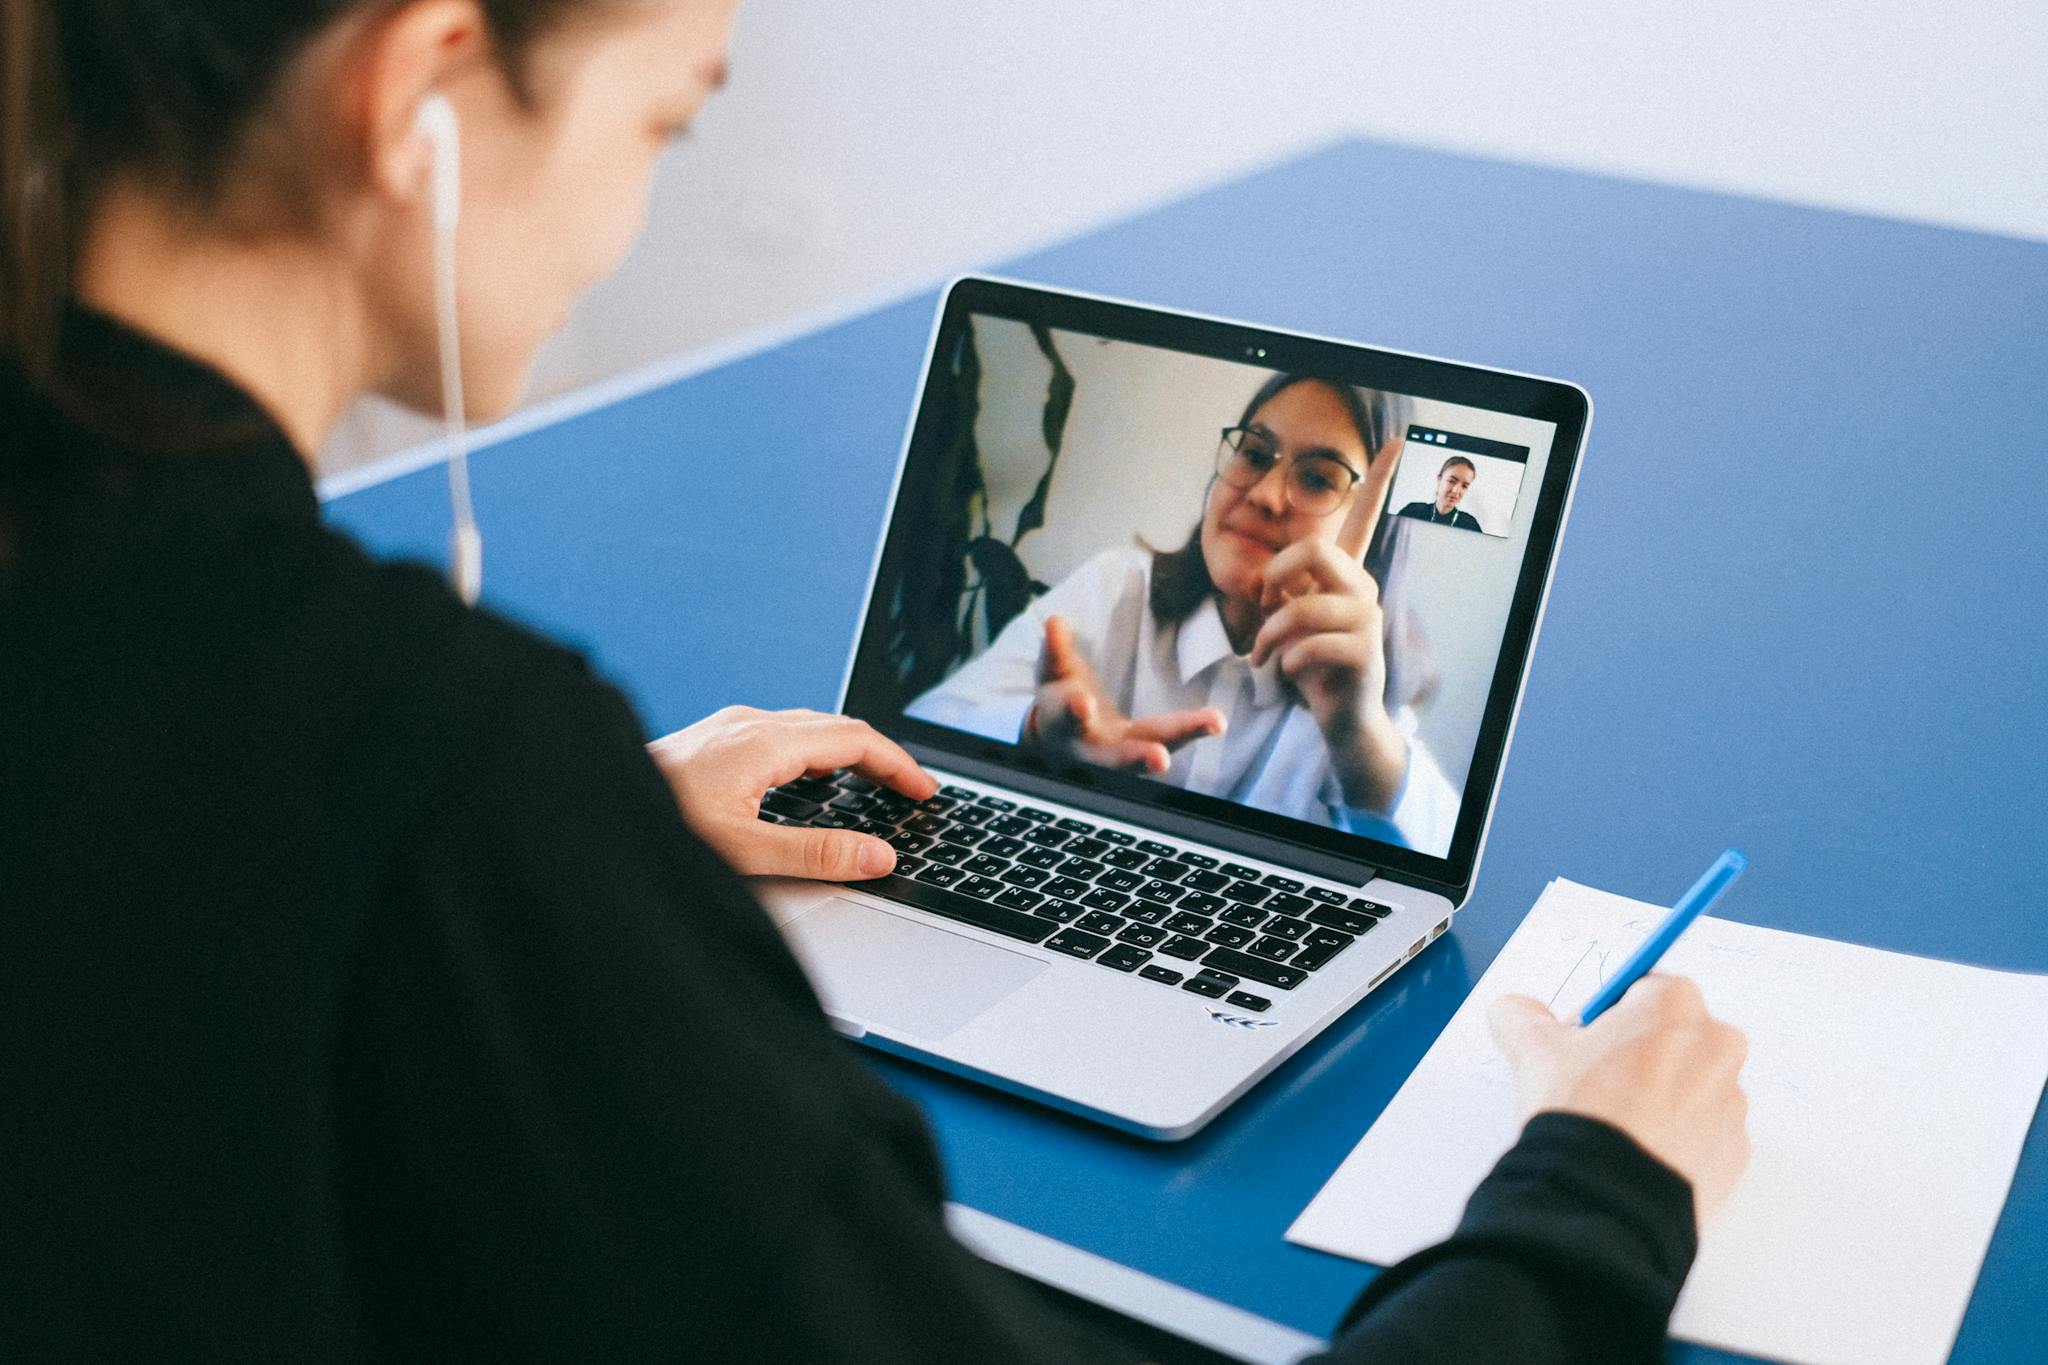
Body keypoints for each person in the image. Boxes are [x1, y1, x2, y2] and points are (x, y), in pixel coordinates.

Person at [0, 1, 1750, 1361]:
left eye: (1316, 479)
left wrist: (594, 832)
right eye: (663, 120)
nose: (632, 212)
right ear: (423, 91)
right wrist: (1597, 1191)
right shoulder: (445, 777)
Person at [910, 372, 1460, 853]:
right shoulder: (1118, 587)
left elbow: (1438, 868)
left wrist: (1358, 731)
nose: (1266, 494)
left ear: (1376, 529)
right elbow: (928, 723)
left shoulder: (1359, 691)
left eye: (1317, 478)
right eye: (1253, 453)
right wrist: (1035, 731)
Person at [1396, 454, 1484, 532]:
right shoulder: (1412, 512)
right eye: (1452, 481)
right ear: (1439, 479)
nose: (1456, 490)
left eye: (1464, 486)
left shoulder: (1470, 524)